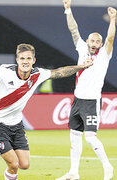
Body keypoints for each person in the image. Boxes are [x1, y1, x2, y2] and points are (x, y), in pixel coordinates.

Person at [0, 37, 93, 180]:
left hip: (16, 125)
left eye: (28, 58)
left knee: (24, 164)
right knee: (14, 164)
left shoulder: (38, 74)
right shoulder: (5, 71)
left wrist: (81, 67)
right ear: (17, 60)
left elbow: (59, 72)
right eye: (22, 58)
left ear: (33, 60)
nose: (25, 61)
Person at [56, 1, 116, 180]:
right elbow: (74, 30)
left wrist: (113, 19)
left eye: (98, 41)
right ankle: (74, 171)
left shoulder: (104, 54)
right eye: (93, 40)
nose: (95, 43)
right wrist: (68, 10)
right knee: (74, 137)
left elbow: (110, 38)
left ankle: (107, 166)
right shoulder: (82, 48)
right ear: (88, 42)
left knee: (90, 137)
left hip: (91, 101)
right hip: (77, 100)